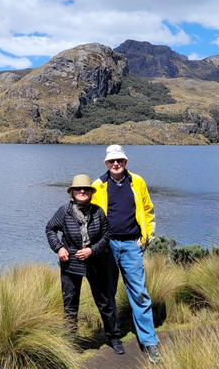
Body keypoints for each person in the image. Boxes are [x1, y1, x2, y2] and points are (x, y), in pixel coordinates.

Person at [91, 145, 162, 363]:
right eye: (112, 161)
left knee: (139, 293)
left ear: (125, 162)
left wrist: (146, 236)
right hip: (108, 245)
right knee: (108, 291)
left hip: (132, 244)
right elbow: (91, 216)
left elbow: (148, 209)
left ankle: (149, 341)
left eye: (119, 160)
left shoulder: (137, 182)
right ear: (106, 163)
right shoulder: (98, 185)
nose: (115, 164)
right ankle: (115, 334)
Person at [45, 174, 125, 355]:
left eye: (86, 189)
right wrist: (58, 248)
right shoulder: (64, 212)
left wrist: (92, 250)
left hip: (96, 264)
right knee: (70, 304)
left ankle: (114, 337)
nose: (82, 191)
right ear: (72, 192)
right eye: (78, 189)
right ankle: (69, 343)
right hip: (70, 264)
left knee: (104, 302)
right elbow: (50, 229)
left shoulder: (98, 212)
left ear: (91, 192)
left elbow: (107, 235)